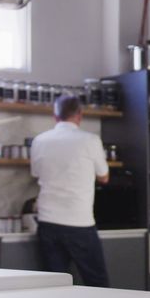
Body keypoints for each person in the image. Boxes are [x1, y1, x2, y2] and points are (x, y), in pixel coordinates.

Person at [30, 94, 111, 287]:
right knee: (97, 283)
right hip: (79, 223)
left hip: (48, 222)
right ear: (80, 115)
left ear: (55, 116)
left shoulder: (39, 141)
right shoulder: (90, 140)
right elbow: (104, 176)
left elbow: (35, 173)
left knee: (54, 285)